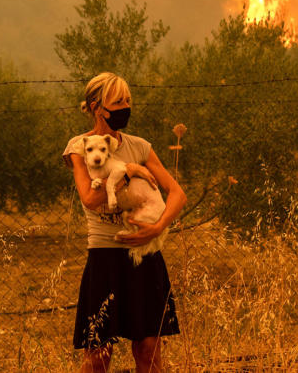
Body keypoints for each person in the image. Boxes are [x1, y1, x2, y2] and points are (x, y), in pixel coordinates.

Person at [62, 72, 187, 373]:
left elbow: (178, 194)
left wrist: (158, 228)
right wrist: (127, 172)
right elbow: (90, 200)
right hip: (104, 256)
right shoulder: (80, 146)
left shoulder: (141, 146)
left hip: (146, 257)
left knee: (149, 351)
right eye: (117, 101)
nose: (124, 107)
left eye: (127, 101)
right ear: (96, 107)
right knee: (98, 356)